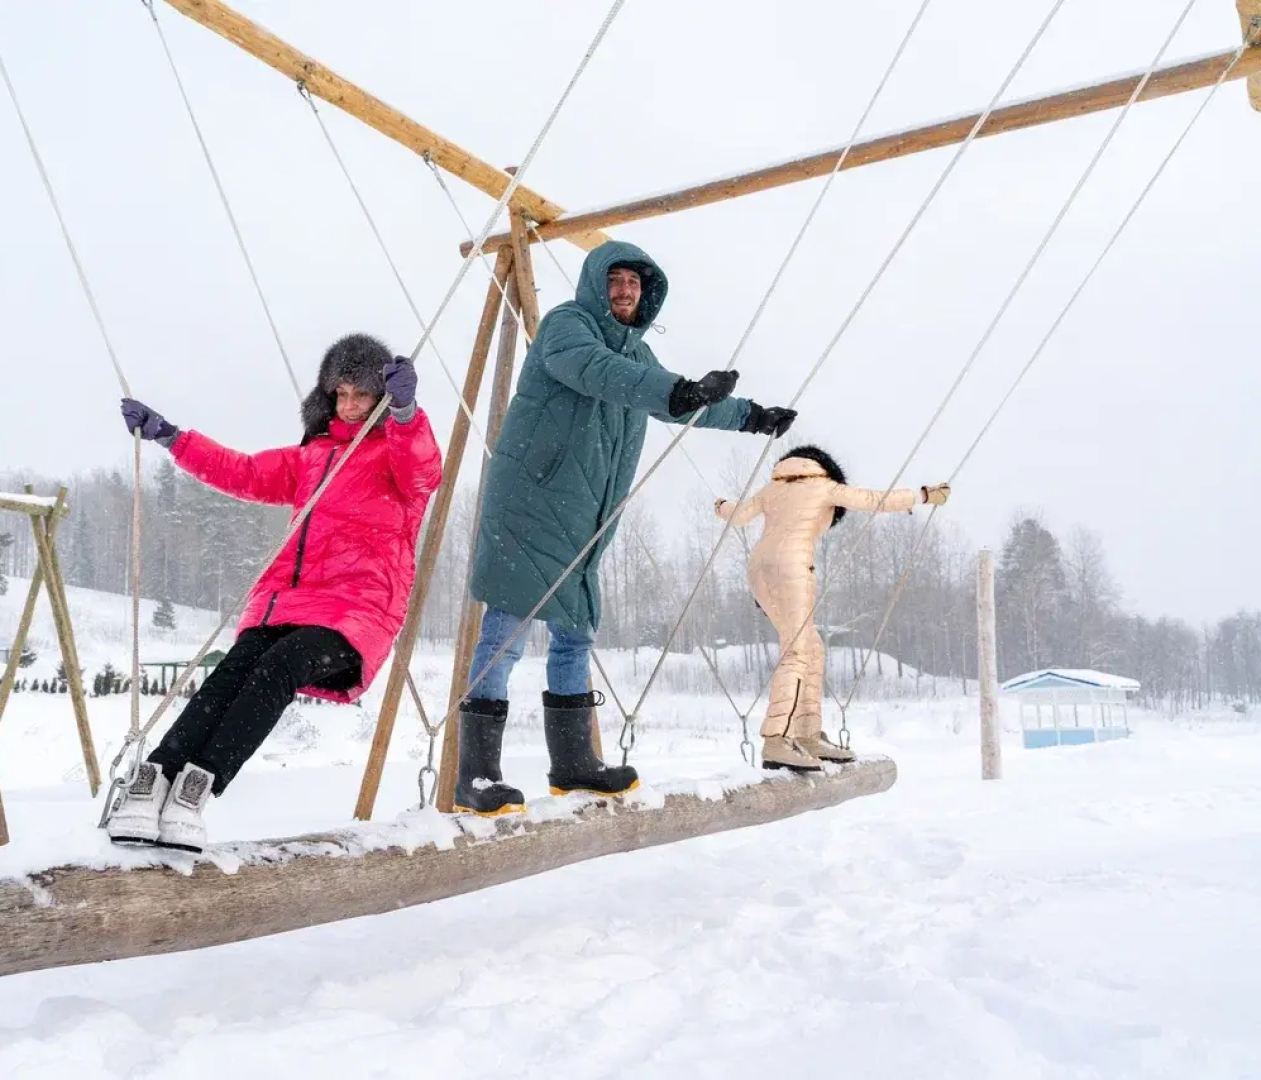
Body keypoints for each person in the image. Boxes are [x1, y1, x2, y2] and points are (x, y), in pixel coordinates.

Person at [456, 239, 800, 815]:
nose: (623, 291)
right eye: (614, 280)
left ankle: (573, 764)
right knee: (506, 632)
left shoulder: (639, 359)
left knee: (575, 635)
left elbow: (679, 401)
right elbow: (597, 373)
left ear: (646, 297)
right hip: (530, 503)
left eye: (633, 285)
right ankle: (478, 776)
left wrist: (750, 417)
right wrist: (678, 391)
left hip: (585, 514)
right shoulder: (567, 327)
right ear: (596, 284)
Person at [106, 334, 443, 849]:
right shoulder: (312, 457)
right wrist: (172, 437)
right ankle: (156, 781)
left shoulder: (395, 457)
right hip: (288, 601)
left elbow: (424, 469)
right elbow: (240, 471)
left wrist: (406, 412)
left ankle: (199, 789)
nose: (350, 406)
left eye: (362, 395)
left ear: (380, 397)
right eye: (341, 394)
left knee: (279, 667)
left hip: (358, 610)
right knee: (229, 673)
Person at [713, 445, 949, 772]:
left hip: (758, 568)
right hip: (793, 567)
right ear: (826, 467)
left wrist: (721, 505)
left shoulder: (773, 487)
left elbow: (738, 516)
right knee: (797, 651)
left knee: (811, 645)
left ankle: (808, 734)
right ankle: (776, 740)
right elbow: (874, 500)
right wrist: (923, 496)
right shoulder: (825, 486)